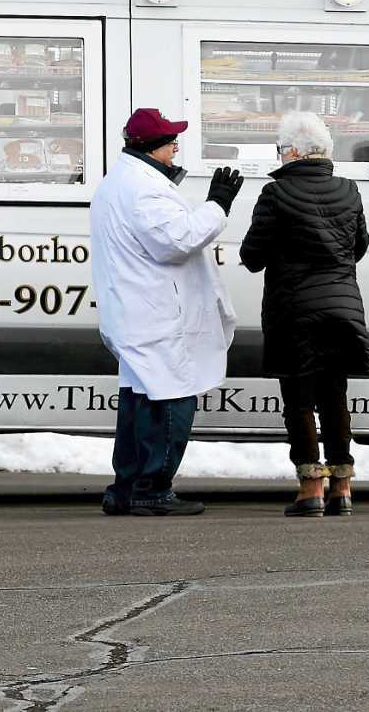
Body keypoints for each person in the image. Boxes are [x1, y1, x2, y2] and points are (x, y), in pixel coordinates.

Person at [90, 108, 242, 516]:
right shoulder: (144, 189)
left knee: (139, 400)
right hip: (157, 315)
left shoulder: (121, 183)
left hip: (139, 311)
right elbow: (176, 240)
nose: (176, 146)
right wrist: (217, 205)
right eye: (171, 140)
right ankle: (152, 487)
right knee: (171, 397)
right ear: (150, 147)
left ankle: (126, 487)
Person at [239, 111, 369, 518]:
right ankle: (342, 486)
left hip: (294, 311)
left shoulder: (275, 195)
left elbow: (252, 256)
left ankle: (311, 487)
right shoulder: (350, 191)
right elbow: (359, 246)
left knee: (298, 398)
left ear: (293, 152)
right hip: (341, 307)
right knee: (335, 395)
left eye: (281, 151)